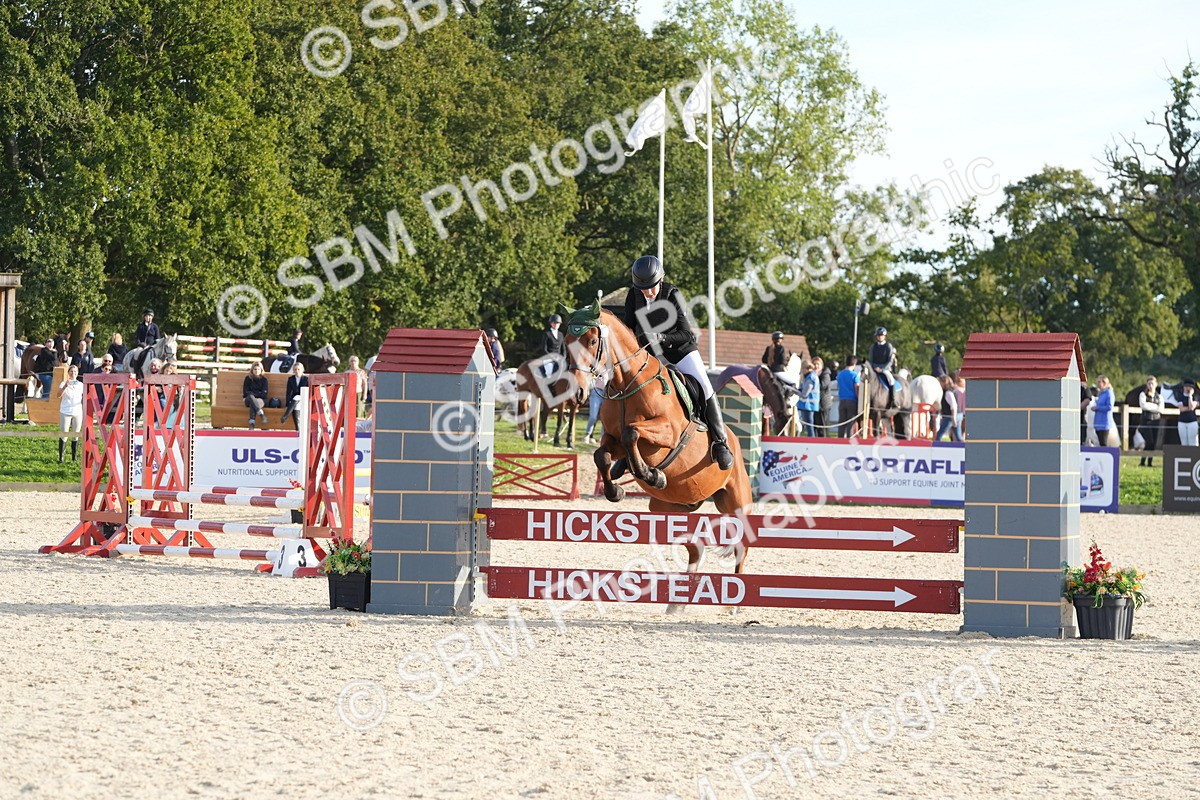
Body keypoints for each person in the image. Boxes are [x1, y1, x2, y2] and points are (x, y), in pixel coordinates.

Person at [623, 254, 733, 469]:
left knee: (704, 385)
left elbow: (686, 334)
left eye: (652, 287)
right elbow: (628, 327)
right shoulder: (633, 295)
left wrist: (661, 338)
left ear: (660, 280)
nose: (648, 292)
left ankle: (720, 443)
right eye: (643, 289)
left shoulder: (672, 294)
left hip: (680, 351)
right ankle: (625, 450)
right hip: (651, 355)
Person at [58, 364, 84, 463]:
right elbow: (58, 395)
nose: (73, 373)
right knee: (64, 433)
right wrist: (65, 386)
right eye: (71, 371)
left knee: (75, 434)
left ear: (77, 373)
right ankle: (61, 457)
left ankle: (74, 457)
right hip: (66, 411)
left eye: (75, 371)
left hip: (77, 411)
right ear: (68, 373)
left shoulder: (81, 385)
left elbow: (85, 396)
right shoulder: (63, 383)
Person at [868, 327, 898, 408]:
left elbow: (890, 361)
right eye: (878, 335)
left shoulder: (888, 346)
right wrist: (875, 367)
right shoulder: (873, 346)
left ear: (885, 336)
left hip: (885, 368)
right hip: (874, 368)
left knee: (891, 380)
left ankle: (893, 400)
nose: (880, 337)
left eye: (881, 335)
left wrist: (882, 369)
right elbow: (871, 360)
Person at [1137, 376, 1162, 466]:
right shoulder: (1143, 395)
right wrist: (1155, 407)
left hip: (1156, 421)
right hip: (1146, 420)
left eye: (1152, 383)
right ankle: (1143, 461)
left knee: (1153, 443)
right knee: (1149, 442)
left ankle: (1149, 462)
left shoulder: (1159, 396)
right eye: (1149, 384)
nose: (1150, 385)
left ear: (1156, 384)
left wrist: (1150, 406)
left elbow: (1161, 409)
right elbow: (1143, 406)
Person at [837, 355, 861, 437]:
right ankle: (849, 439)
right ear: (854, 364)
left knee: (841, 422)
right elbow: (857, 388)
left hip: (842, 400)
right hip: (852, 400)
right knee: (850, 423)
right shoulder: (854, 375)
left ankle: (840, 439)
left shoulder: (840, 374)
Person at [1093, 375, 1118, 448]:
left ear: (1104, 383)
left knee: (1103, 443)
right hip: (1098, 422)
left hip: (1104, 422)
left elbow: (1109, 407)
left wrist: (1097, 408)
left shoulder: (1109, 393)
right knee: (1100, 443)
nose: (1098, 384)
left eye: (1099, 382)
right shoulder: (1101, 393)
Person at [282, 362, 309, 429]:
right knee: (296, 406)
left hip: (304, 398)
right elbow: (288, 393)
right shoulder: (291, 379)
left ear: (302, 370)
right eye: (295, 369)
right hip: (295, 401)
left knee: (297, 397)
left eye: (298, 369)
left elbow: (308, 391)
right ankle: (297, 428)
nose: (297, 371)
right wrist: (287, 404)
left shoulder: (306, 379)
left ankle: (286, 415)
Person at [935, 374, 961, 441]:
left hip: (950, 416)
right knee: (958, 437)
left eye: (940, 382)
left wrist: (953, 417)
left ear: (944, 382)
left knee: (939, 435)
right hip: (957, 414)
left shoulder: (947, 392)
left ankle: (937, 447)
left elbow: (953, 405)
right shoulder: (951, 390)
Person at [797, 360, 819, 437]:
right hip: (809, 405)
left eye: (802, 369)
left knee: (809, 426)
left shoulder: (810, 378)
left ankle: (811, 441)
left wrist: (795, 391)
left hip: (808, 405)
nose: (802, 371)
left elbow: (804, 394)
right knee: (809, 426)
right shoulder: (811, 376)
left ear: (806, 368)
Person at [243, 361, 269, 429]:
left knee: (253, 403)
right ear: (252, 370)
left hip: (261, 400)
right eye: (255, 369)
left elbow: (264, 394)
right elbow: (246, 392)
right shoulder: (248, 379)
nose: (256, 371)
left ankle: (252, 424)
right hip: (248, 399)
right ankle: (261, 415)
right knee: (251, 398)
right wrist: (257, 393)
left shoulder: (264, 380)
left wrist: (253, 393)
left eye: (258, 369)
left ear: (261, 370)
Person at [814, 356, 833, 437]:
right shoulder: (812, 375)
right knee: (816, 426)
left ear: (821, 365)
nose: (816, 366)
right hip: (815, 404)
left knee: (823, 426)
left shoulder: (825, 374)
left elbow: (822, 385)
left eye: (817, 364)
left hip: (823, 404)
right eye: (814, 364)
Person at [1179, 382, 1199, 447]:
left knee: (1193, 443)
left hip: (1192, 421)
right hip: (1182, 421)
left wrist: (1190, 396)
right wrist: (1189, 408)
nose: (1188, 388)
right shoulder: (1180, 396)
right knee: (1184, 443)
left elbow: (1192, 407)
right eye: (1186, 386)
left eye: (1190, 387)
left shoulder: (1196, 396)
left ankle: (1194, 454)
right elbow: (1181, 409)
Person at [953, 371, 967, 439]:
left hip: (965, 410)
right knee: (957, 428)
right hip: (957, 411)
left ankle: (963, 440)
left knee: (964, 428)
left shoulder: (967, 385)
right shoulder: (953, 386)